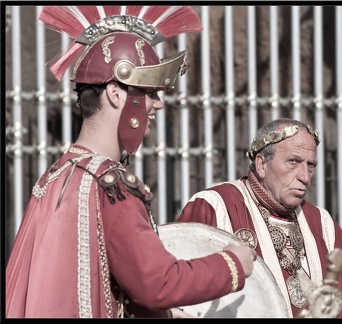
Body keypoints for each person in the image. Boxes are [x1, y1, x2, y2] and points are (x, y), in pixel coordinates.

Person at [5, 5, 257, 318]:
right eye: (148, 91)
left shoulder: (55, 176)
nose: (157, 104)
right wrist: (231, 265)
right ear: (115, 93)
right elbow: (156, 284)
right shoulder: (112, 186)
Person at [176, 117, 342, 318]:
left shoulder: (320, 222)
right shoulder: (216, 206)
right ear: (261, 164)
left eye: (311, 165)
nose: (304, 177)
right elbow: (176, 286)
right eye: (293, 162)